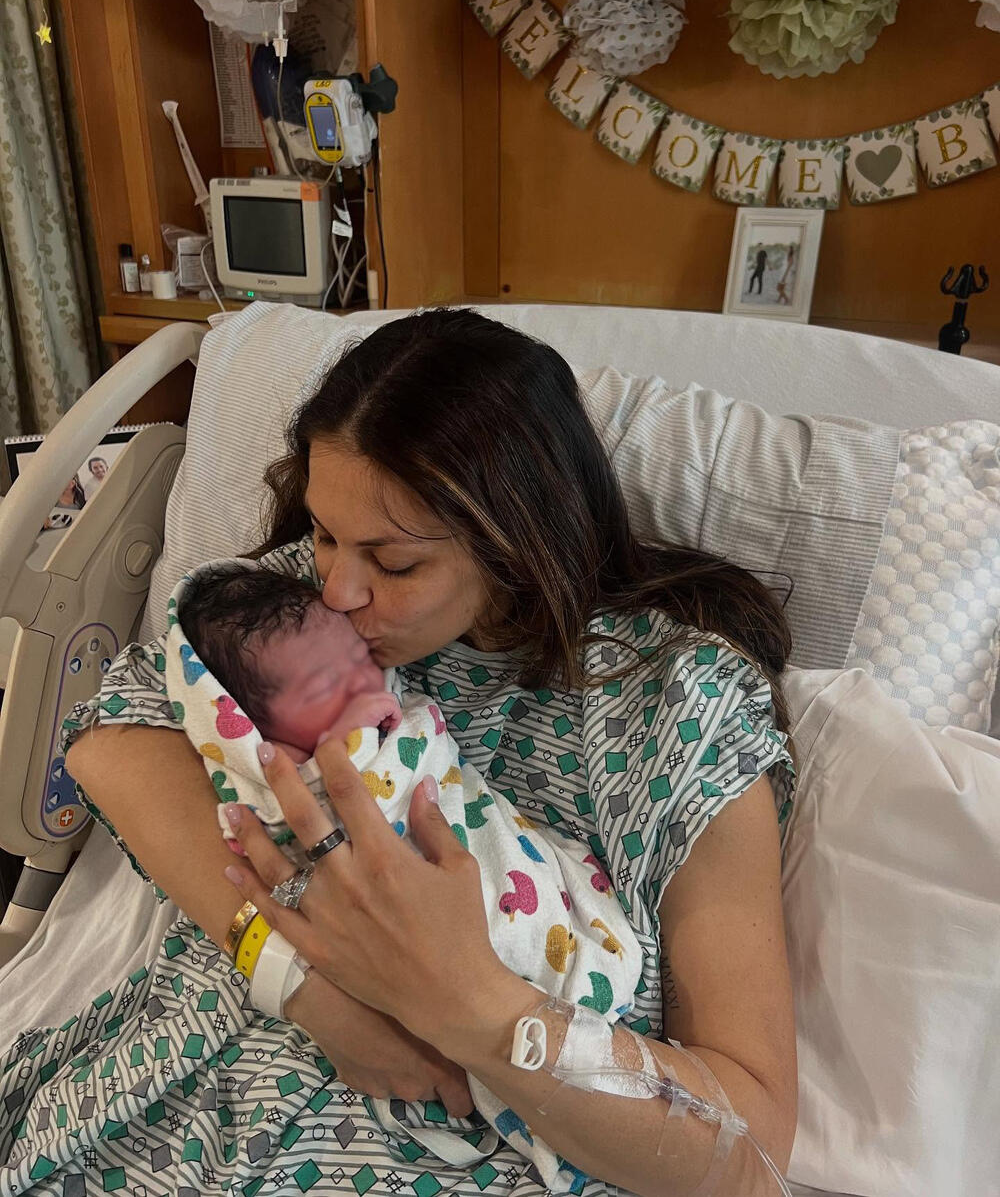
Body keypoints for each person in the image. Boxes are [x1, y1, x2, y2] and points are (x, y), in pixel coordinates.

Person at [35, 308, 797, 1197]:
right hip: (175, 1101)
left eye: (393, 564)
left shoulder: (675, 699)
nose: (337, 589)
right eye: (324, 532)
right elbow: (109, 739)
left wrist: (464, 1005)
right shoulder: (293, 610)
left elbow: (750, 1150)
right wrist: (305, 985)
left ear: (517, 541)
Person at [169, 560, 647, 1191]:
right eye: (330, 688)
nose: (369, 690)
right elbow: (112, 733)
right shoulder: (283, 753)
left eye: (361, 662)